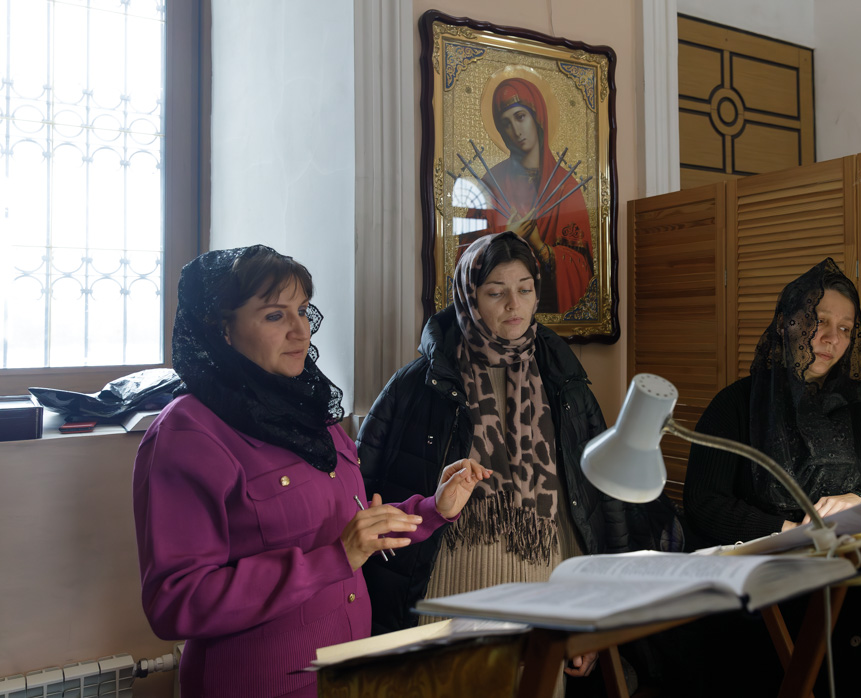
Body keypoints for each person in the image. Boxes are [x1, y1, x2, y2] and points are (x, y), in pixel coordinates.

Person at [131, 245, 490, 698]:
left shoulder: (309, 412)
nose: (300, 330)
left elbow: (351, 530)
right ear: (222, 329)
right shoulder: (187, 433)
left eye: (302, 310)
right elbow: (177, 603)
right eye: (274, 316)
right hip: (258, 685)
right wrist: (335, 558)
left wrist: (432, 509)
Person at [357, 232, 656, 692]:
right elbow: (365, 497)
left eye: (525, 289)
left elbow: (593, 507)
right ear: (469, 296)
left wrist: (592, 615)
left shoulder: (565, 384)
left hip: (543, 598)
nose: (514, 305)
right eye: (496, 292)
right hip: (446, 595)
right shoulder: (416, 387)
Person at [674, 257, 861, 696]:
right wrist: (789, 532)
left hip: (858, 594)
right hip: (766, 599)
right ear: (786, 323)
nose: (830, 338)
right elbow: (704, 503)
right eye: (818, 321)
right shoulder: (735, 405)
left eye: (845, 328)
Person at [463, 76, 594, 314]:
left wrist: (540, 246)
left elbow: (582, 267)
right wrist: (505, 237)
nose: (515, 130)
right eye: (506, 123)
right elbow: (465, 260)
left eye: (520, 117)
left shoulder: (565, 186)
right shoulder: (489, 185)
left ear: (537, 117)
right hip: (499, 313)